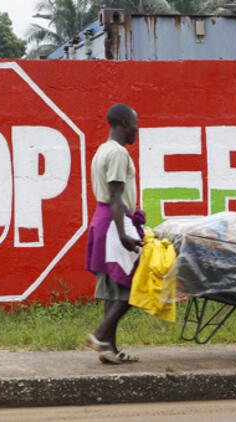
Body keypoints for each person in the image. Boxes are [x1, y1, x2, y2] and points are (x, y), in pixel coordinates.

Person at [85, 103, 144, 364]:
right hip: (114, 223)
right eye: (134, 123)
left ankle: (109, 349)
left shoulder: (102, 150)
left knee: (115, 287)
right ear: (123, 124)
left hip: (104, 220)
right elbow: (116, 196)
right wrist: (123, 234)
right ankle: (100, 335)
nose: (136, 129)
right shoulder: (119, 154)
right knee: (134, 284)